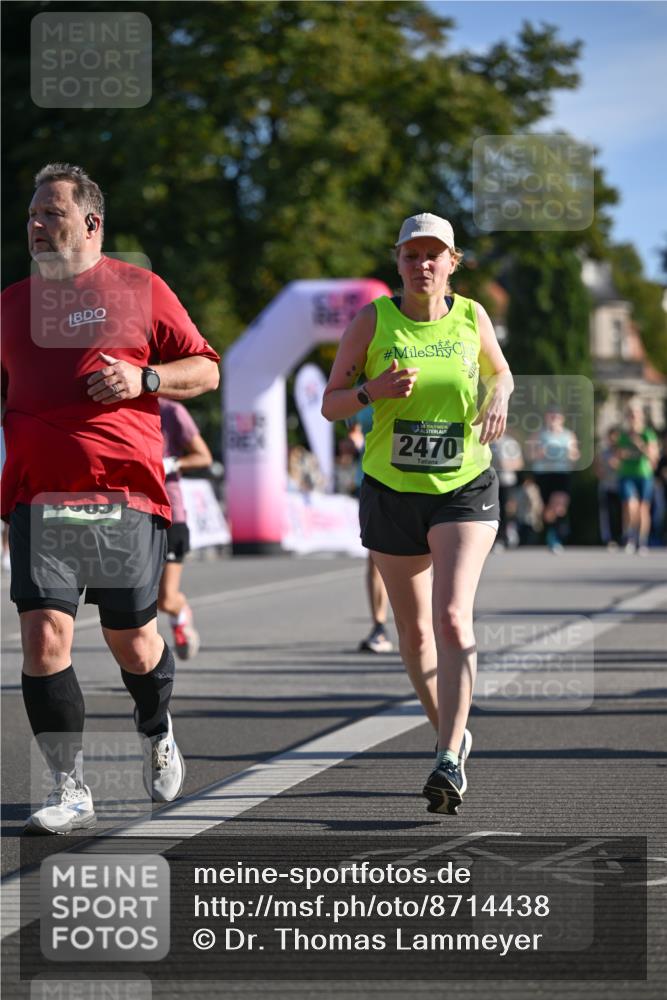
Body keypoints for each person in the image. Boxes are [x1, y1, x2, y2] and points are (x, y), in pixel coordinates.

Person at [0, 163, 220, 834]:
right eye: (33, 215)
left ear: (92, 224)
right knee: (44, 636)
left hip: (125, 496)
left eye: (53, 215)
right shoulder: (10, 304)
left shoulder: (139, 288)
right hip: (39, 497)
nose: (37, 225)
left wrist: (145, 376)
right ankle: (69, 786)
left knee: (132, 641)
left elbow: (206, 368)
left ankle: (155, 726)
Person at [322, 212, 512, 815]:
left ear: (453, 263)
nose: (422, 264)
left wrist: (501, 389)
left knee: (453, 617)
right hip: (390, 489)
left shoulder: (471, 316)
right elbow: (330, 404)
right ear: (397, 260)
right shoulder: (372, 320)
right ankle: (454, 734)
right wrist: (370, 394)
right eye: (412, 254)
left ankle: (448, 758)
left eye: (435, 254)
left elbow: (499, 369)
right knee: (414, 634)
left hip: (462, 486)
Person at [158, 398, 213, 659]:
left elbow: (204, 456)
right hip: (131, 512)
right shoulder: (117, 406)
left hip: (170, 513)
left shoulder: (171, 411)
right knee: (134, 602)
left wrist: (173, 463)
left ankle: (180, 613)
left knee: (165, 599)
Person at [527, 406, 580, 554]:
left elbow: (575, 456)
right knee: (548, 509)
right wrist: (539, 453)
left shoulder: (569, 435)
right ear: (546, 417)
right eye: (551, 416)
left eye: (557, 416)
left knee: (560, 505)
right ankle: (551, 535)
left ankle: (557, 537)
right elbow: (530, 456)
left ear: (562, 418)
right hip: (544, 474)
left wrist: (571, 454)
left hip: (562, 473)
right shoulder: (538, 434)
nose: (554, 419)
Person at [616, 400, 659, 554]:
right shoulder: (623, 435)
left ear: (641, 416)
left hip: (644, 474)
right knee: (629, 505)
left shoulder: (647, 434)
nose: (633, 418)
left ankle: (642, 540)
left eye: (636, 414)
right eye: (631, 415)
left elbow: (654, 457)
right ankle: (629, 536)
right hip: (627, 474)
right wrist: (622, 454)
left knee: (643, 508)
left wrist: (640, 444)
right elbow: (618, 455)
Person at [594, 426, 622, 549]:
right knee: (607, 514)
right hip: (607, 486)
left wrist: (618, 465)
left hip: (621, 487)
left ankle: (622, 536)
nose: (613, 439)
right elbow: (597, 470)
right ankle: (608, 539)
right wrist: (602, 470)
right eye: (611, 437)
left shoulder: (623, 452)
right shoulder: (603, 453)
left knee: (622, 513)